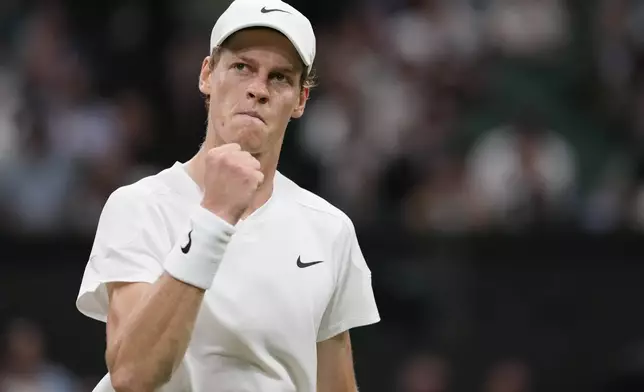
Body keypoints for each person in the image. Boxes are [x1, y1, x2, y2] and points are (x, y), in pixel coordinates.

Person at [75, 0, 381, 391]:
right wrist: (214, 216)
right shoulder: (139, 206)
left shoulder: (330, 229)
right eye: (242, 67)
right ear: (207, 74)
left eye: (280, 78)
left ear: (301, 100)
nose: (258, 89)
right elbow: (133, 375)